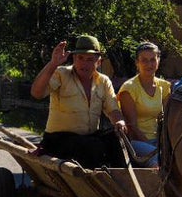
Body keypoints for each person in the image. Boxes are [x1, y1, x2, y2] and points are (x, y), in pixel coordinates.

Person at [30, 34, 128, 169]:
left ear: (98, 62)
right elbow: (36, 93)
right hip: (58, 140)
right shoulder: (61, 74)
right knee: (92, 146)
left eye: (90, 59)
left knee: (118, 139)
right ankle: (94, 184)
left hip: (88, 138)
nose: (84, 63)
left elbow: (113, 110)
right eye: (80, 58)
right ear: (74, 58)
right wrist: (52, 64)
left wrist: (119, 122)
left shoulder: (103, 81)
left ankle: (123, 182)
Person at [117, 41, 171, 167]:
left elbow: (168, 119)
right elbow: (132, 127)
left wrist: (164, 143)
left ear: (158, 60)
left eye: (153, 59)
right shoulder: (128, 88)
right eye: (144, 60)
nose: (149, 64)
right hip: (137, 142)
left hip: (160, 141)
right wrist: (154, 147)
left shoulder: (164, 86)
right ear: (137, 63)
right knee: (158, 160)